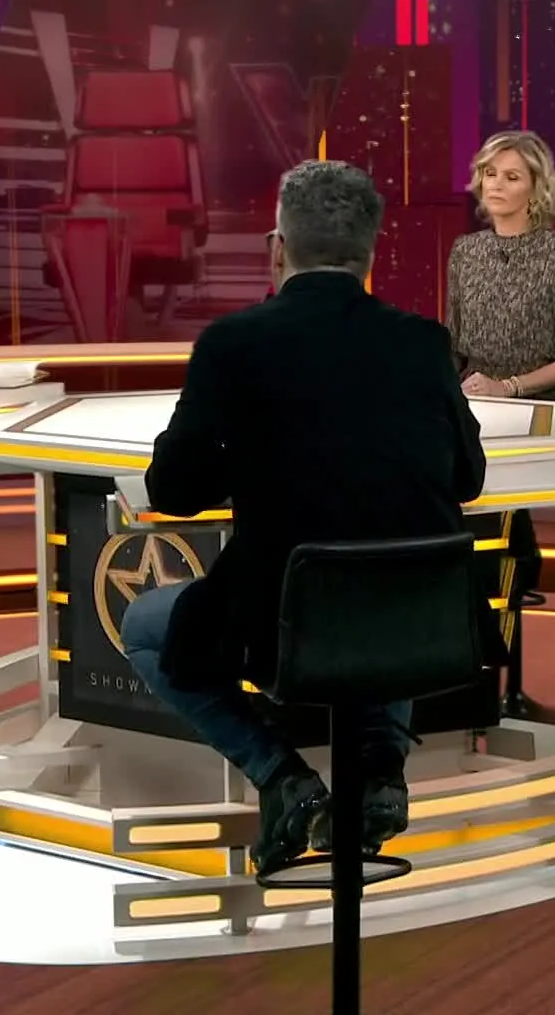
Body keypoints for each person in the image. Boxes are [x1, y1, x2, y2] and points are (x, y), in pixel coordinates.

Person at [118, 161, 490, 875]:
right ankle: (380, 771)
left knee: (144, 626)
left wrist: (248, 457)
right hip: (425, 625)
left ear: (277, 249)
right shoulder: (423, 342)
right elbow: (468, 478)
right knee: (381, 576)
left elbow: (173, 488)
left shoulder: (233, 344)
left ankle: (284, 779)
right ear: (370, 254)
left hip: (286, 628)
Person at [446, 130, 555, 676]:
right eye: (490, 173)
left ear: (536, 187)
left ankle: (512, 586)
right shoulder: (465, 253)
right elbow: (454, 346)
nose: (496, 185)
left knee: (489, 482)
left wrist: (508, 387)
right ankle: (471, 634)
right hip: (479, 407)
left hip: (544, 407)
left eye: (511, 176)